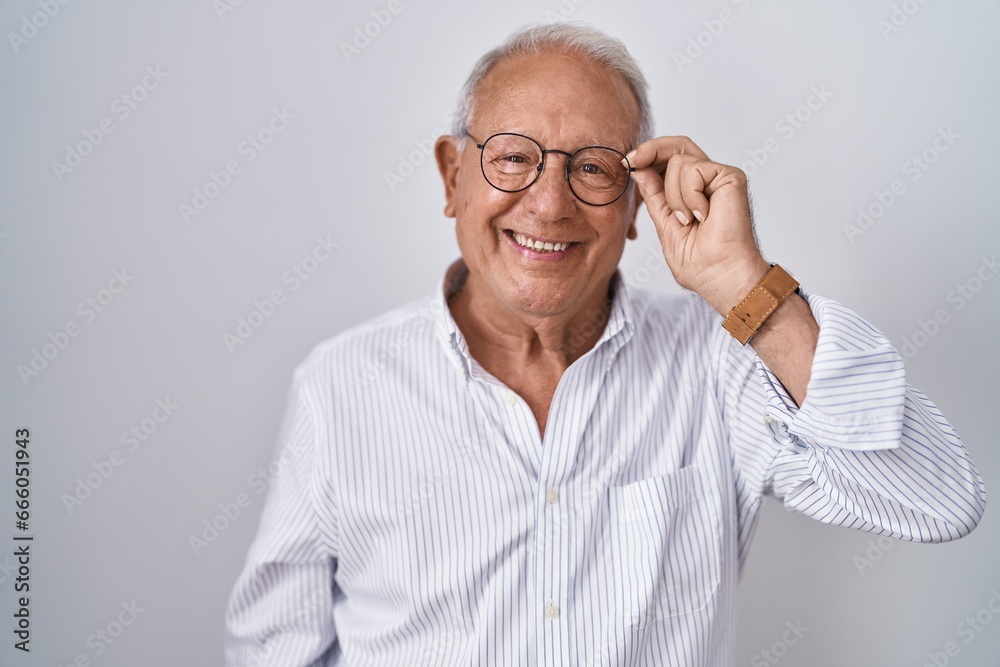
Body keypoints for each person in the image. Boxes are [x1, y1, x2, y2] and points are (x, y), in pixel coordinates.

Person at [224, 23, 985, 666]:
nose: (549, 203)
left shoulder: (717, 363)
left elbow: (938, 500)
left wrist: (740, 283)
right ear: (453, 176)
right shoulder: (341, 383)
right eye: (513, 157)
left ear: (633, 208)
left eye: (593, 167)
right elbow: (276, 647)